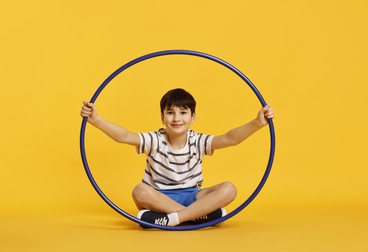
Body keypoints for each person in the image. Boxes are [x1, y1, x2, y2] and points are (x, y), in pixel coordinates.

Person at [80, 88, 274, 228]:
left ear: (193, 117)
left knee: (229, 189)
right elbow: (124, 136)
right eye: (170, 113)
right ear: (162, 117)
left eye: (183, 113)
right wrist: (96, 120)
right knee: (140, 191)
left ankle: (170, 219)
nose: (176, 118)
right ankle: (198, 217)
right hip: (159, 197)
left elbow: (230, 139)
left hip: (193, 196)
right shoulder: (154, 140)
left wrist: (257, 123)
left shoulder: (197, 141)